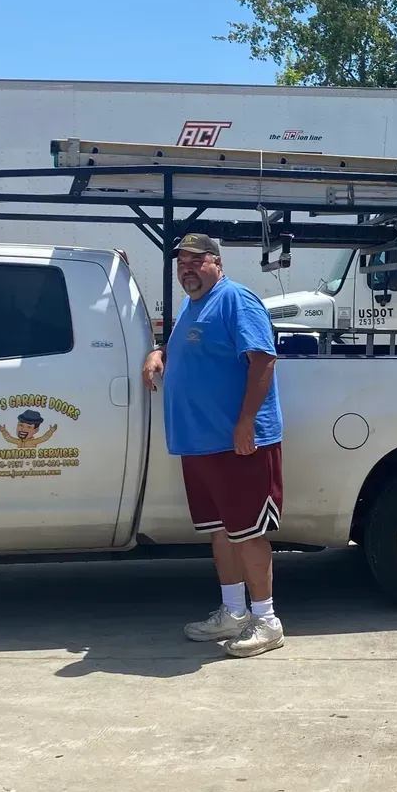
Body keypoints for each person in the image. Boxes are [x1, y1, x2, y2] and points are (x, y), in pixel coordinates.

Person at [141, 232, 286, 658]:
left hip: (235, 443)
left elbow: (263, 359)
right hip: (200, 443)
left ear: (216, 262)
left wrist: (246, 423)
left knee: (248, 532)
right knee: (222, 532)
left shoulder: (235, 299)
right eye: (180, 263)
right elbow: (194, 349)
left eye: (195, 260)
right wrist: (159, 353)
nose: (186, 268)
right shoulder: (191, 305)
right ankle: (234, 611)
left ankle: (266, 619)